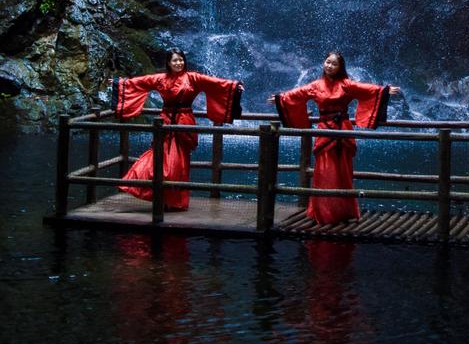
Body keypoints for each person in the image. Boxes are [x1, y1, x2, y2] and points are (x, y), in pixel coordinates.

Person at [272, 51, 401, 225]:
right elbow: (296, 95)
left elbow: (365, 89)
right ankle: (324, 212)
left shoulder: (346, 84)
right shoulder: (316, 85)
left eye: (334, 64)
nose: (329, 66)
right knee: (325, 171)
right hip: (325, 130)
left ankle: (343, 212)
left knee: (343, 171)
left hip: (343, 131)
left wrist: (383, 91)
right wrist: (281, 98)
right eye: (327, 62)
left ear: (340, 68)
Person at [112, 49, 244, 211]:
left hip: (184, 122)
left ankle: (174, 201)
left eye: (181, 60)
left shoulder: (193, 78)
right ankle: (158, 196)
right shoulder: (160, 79)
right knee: (159, 157)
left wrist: (235, 86)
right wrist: (119, 83)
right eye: (175, 60)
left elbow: (215, 83)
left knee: (178, 162)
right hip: (165, 121)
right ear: (168, 63)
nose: (178, 63)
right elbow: (139, 82)